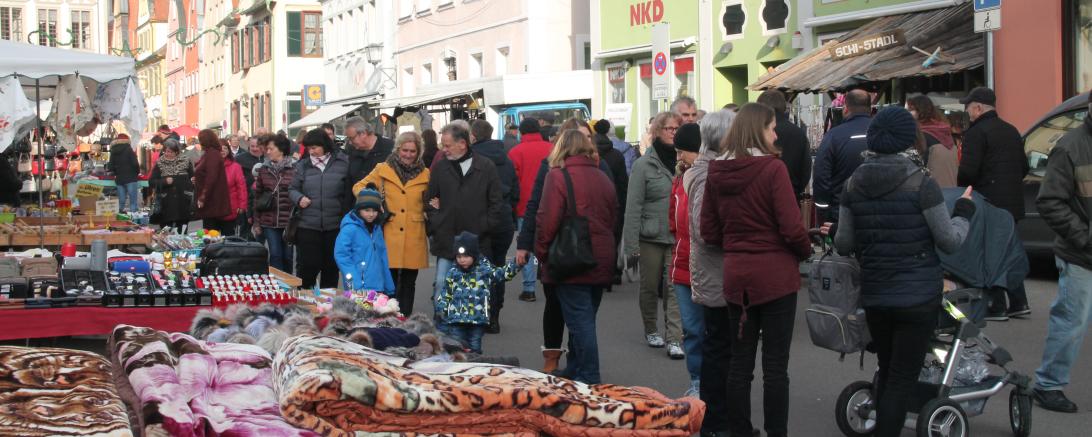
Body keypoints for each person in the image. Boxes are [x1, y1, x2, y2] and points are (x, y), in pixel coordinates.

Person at [830, 107, 976, 437]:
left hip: (876, 294)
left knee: (887, 367)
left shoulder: (853, 183)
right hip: (918, 296)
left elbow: (843, 242)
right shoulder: (921, 182)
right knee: (901, 377)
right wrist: (964, 211)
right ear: (910, 138)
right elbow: (949, 241)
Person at [700, 103, 812, 437]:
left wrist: (736, 243)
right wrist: (804, 250)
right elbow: (792, 227)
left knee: (740, 363)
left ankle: (740, 431)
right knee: (775, 367)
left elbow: (709, 230)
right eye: (772, 127)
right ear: (758, 131)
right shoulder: (772, 170)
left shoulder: (717, 171)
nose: (776, 133)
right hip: (775, 275)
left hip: (737, 276)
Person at [535, 129, 618, 384]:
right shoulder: (602, 176)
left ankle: (590, 376)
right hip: (602, 256)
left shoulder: (558, 176)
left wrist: (542, 252)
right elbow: (613, 215)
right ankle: (575, 367)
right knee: (584, 318)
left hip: (572, 258)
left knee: (581, 323)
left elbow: (547, 219)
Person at [1031, 91, 1092, 414]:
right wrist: (1084, 237)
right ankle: (1049, 385)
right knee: (1071, 322)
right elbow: (1049, 201)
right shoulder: (1070, 146)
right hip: (1081, 255)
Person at [957, 87, 1031, 320]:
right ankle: (1019, 302)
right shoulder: (1011, 130)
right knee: (1009, 251)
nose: (967, 112)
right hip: (1013, 202)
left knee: (989, 253)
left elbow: (968, 171)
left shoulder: (976, 133)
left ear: (978, 108)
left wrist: (963, 190)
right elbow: (1024, 167)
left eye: (968, 107)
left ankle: (996, 305)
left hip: (988, 201)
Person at [686, 109, 736, 435]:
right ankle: (715, 420)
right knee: (719, 349)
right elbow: (705, 230)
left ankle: (717, 416)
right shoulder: (705, 174)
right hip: (715, 274)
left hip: (715, 273)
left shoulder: (708, 170)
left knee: (721, 348)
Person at [425, 122, 504, 312]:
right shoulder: (441, 167)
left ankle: (467, 333)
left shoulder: (485, 167)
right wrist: (437, 220)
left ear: (462, 144)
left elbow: (496, 203)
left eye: (447, 145)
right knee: (442, 285)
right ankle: (443, 327)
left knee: (474, 292)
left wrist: (484, 226)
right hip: (446, 238)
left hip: (476, 240)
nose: (444, 150)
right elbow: (429, 199)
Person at [623, 111, 684, 359]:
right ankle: (651, 328)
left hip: (676, 235)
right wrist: (630, 246)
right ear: (657, 132)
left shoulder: (684, 163)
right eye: (668, 128)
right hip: (650, 237)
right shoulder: (643, 165)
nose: (672, 132)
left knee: (674, 288)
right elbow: (633, 206)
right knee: (649, 287)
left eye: (676, 128)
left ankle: (674, 339)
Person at [354, 131, 431, 315]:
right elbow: (358, 188)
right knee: (390, 280)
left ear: (418, 152)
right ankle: (390, 316)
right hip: (389, 232)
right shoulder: (383, 169)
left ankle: (405, 317)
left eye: (413, 151)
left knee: (410, 281)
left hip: (414, 233)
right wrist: (375, 204)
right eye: (405, 150)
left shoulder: (426, 174)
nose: (408, 154)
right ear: (398, 149)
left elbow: (433, 198)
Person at [470, 119, 520, 333]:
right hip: (503, 220)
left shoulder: (471, 160)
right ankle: (494, 315)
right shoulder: (506, 160)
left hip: (478, 220)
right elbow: (515, 192)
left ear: (473, 136)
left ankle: (480, 313)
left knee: (478, 269)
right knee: (497, 266)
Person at [436, 231, 520, 354]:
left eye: (466, 256)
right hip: (456, 319)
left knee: (475, 348)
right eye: (459, 257)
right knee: (457, 348)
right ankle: (460, 368)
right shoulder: (453, 272)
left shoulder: (484, 270)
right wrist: (441, 309)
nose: (462, 260)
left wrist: (516, 264)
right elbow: (446, 293)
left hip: (477, 319)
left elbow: (501, 274)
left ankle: (474, 366)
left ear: (474, 255)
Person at [667, 123, 704, 397]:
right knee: (691, 331)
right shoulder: (678, 180)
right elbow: (672, 220)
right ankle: (697, 382)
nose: (679, 158)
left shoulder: (711, 178)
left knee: (712, 332)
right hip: (682, 266)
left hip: (708, 268)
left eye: (683, 152)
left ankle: (716, 382)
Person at [289, 129, 352, 289]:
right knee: (307, 267)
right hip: (308, 225)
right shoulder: (302, 165)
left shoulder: (343, 162)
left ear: (325, 145)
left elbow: (349, 190)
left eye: (315, 147)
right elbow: (292, 189)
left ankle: (328, 305)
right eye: (309, 148)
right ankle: (305, 303)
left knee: (331, 268)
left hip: (335, 225)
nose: (312, 151)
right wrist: (299, 198)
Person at [508, 117, 552, 302]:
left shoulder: (515, 151)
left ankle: (529, 288)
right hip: (550, 203)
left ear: (521, 132)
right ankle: (550, 279)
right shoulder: (551, 149)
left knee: (525, 245)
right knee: (549, 242)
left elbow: (513, 181)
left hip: (525, 205)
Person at [813, 89, 873, 223]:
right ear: (870, 109)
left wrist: (823, 210)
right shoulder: (882, 133)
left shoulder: (834, 136)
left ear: (845, 108)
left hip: (841, 213)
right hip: (879, 212)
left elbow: (821, 174)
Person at [334, 187, 396, 294]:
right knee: (358, 311)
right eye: (367, 210)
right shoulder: (349, 229)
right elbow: (342, 256)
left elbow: (382, 257)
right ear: (359, 209)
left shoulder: (377, 229)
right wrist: (355, 283)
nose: (371, 214)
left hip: (378, 285)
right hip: (357, 287)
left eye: (374, 211)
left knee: (375, 311)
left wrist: (388, 284)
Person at [251, 133, 297, 272]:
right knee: (275, 255)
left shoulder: (295, 168)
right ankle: (277, 287)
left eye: (271, 149)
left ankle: (289, 287)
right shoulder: (264, 169)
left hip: (288, 221)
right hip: (268, 221)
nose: (268, 152)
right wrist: (257, 222)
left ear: (281, 149)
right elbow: (258, 196)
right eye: (267, 149)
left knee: (288, 257)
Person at [757, 90, 812, 200]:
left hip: (761, 198)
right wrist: (796, 190)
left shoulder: (757, 130)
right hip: (791, 194)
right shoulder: (798, 132)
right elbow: (806, 169)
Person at [906, 95, 958, 188]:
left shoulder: (920, 136)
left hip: (931, 195)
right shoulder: (946, 133)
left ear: (921, 111)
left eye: (910, 110)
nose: (906, 113)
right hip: (950, 192)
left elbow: (913, 171)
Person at [148, 139, 194, 233]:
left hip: (183, 201)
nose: (167, 154)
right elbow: (151, 182)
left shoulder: (186, 161)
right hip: (166, 203)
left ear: (177, 152)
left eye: (170, 152)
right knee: (166, 232)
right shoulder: (160, 163)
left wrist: (192, 182)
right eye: (166, 151)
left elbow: (192, 177)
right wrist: (164, 181)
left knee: (182, 232)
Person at [344, 116, 394, 195]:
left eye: (352, 138)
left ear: (363, 133)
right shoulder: (351, 150)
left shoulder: (389, 149)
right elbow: (348, 184)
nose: (350, 142)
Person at [193, 130, 232, 231]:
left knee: (212, 234)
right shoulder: (209, 154)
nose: (199, 142)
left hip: (212, 201)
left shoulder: (212, 154)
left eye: (200, 139)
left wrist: (202, 197)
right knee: (210, 232)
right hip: (211, 201)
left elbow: (211, 177)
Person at [207, 145, 247, 237]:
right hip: (211, 210)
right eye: (219, 148)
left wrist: (242, 206)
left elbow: (241, 187)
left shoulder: (235, 167)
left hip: (229, 209)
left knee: (228, 240)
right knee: (211, 240)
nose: (222, 150)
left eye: (225, 148)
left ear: (229, 151)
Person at [235, 136, 265, 240]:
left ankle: (259, 250)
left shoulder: (268, 158)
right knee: (245, 229)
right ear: (248, 145)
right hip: (246, 198)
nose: (255, 148)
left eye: (257, 146)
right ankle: (245, 251)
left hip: (264, 199)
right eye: (252, 146)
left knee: (262, 230)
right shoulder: (239, 159)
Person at [107, 134, 141, 213]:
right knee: (132, 202)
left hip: (119, 179)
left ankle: (119, 217)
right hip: (131, 178)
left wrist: (116, 172)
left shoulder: (113, 151)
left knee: (121, 201)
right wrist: (137, 172)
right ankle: (133, 219)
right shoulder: (129, 149)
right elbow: (135, 164)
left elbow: (110, 167)